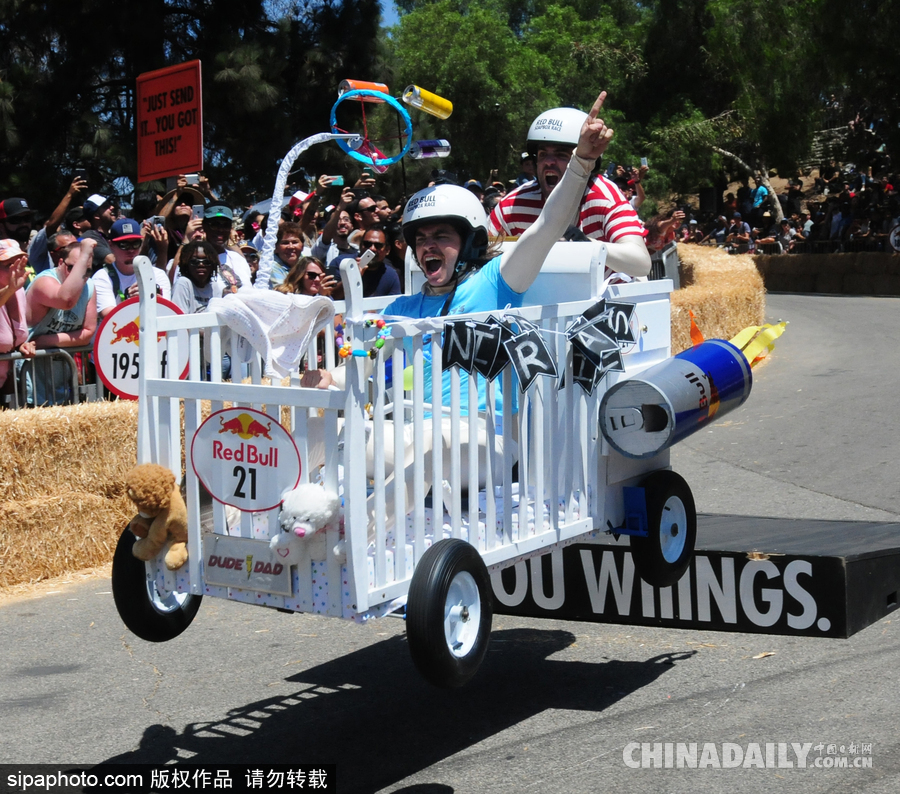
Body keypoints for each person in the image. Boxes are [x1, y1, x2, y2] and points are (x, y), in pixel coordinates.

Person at [301, 89, 615, 528]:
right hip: (410, 431)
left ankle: (354, 538)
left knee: (432, 444)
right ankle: (300, 518)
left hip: (487, 440)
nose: (429, 245)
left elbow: (548, 226)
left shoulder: (497, 284)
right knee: (314, 433)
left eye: (442, 236)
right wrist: (326, 380)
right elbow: (364, 364)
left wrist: (581, 160)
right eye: (421, 238)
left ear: (468, 243)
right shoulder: (401, 307)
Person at [488, 104, 649, 283]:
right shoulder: (514, 204)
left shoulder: (604, 197)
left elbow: (640, 262)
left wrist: (588, 245)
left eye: (561, 155)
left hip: (606, 304)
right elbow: (483, 255)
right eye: (542, 154)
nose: (549, 162)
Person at [23, 238, 97, 405]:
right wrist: (85, 252)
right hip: (28, 383)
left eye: (86, 270)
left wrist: (44, 341)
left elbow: (87, 333)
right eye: (73, 268)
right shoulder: (45, 281)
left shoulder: (90, 287)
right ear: (61, 263)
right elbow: (66, 300)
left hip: (61, 384)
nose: (80, 277)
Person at [91, 218, 170, 318]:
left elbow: (167, 311)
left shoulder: (157, 275)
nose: (131, 250)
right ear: (111, 245)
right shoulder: (102, 277)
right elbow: (108, 316)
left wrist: (153, 298)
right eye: (124, 245)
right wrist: (130, 301)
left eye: (136, 244)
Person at [0, 241, 36, 398]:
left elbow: (15, 338)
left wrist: (23, 345)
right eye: (8, 265)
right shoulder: (13, 288)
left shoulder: (19, 290)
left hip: (7, 381)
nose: (15, 270)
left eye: (18, 263)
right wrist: (10, 289)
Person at [202, 204, 253, 292]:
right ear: (204, 226)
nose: (220, 230)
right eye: (214, 225)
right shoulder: (196, 260)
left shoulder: (238, 259)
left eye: (226, 225)